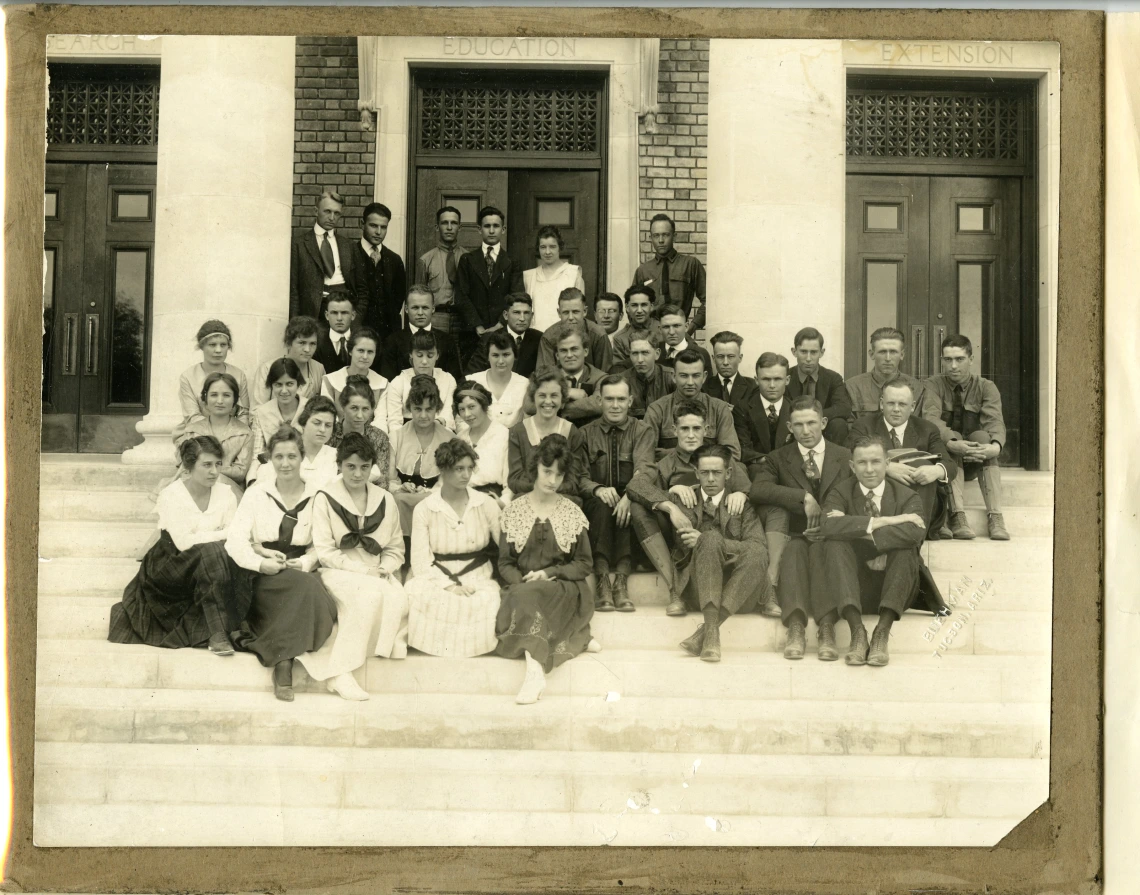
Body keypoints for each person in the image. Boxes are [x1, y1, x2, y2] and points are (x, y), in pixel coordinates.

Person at [226, 426, 338, 701]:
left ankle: (281, 660)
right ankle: (284, 663)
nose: (285, 464)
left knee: (309, 588)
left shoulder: (318, 495)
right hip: (263, 574)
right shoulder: (256, 494)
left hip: (300, 568)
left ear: (302, 458)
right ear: (270, 459)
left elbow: (321, 544)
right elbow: (235, 541)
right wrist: (260, 563)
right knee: (304, 591)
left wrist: (305, 562)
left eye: (291, 456)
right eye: (279, 457)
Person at [820, 436, 948, 667]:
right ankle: (857, 632)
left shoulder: (907, 495)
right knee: (834, 544)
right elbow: (828, 527)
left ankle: (881, 632)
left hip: (896, 588)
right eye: (862, 463)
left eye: (876, 462)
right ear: (852, 466)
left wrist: (856, 528)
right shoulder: (840, 492)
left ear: (888, 464)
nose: (869, 469)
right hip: (853, 588)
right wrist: (887, 521)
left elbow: (914, 533)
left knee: (906, 549)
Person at [299, 432, 409, 700]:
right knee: (366, 597)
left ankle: (360, 660)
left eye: (363, 467)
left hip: (376, 569)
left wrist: (386, 566)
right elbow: (324, 551)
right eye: (350, 466)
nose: (357, 474)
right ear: (339, 465)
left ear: (372, 466)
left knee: (398, 597)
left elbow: (395, 547)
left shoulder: (385, 499)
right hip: (338, 570)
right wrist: (364, 571)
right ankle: (340, 673)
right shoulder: (325, 497)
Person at [108, 436, 241, 656]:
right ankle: (218, 633)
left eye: (218, 464)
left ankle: (217, 632)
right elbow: (183, 542)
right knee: (213, 550)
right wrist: (218, 535)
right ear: (189, 466)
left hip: (208, 566)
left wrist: (205, 535)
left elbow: (235, 534)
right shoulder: (172, 495)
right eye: (206, 465)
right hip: (170, 564)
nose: (214, 472)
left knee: (214, 553)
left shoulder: (225, 494)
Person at [496, 433, 599, 705]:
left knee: (529, 598)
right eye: (547, 472)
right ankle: (536, 671)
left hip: (561, 588)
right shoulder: (515, 510)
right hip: (523, 588)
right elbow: (505, 562)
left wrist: (550, 573)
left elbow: (584, 563)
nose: (552, 480)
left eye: (559, 475)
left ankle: (533, 674)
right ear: (535, 469)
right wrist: (521, 582)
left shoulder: (571, 512)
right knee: (524, 597)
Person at [749, 397, 854, 661]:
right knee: (794, 552)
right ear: (789, 426)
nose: (806, 431)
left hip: (833, 535)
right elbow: (758, 489)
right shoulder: (778, 458)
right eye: (798, 425)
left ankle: (827, 627)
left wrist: (830, 523)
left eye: (811, 423)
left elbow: (854, 494)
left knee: (824, 551)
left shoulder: (844, 456)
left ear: (824, 422)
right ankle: (795, 626)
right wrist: (803, 497)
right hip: (797, 533)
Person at [626, 400, 752, 616]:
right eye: (685, 428)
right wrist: (670, 500)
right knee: (638, 509)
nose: (691, 435)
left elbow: (749, 490)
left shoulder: (722, 459)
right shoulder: (666, 464)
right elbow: (635, 485)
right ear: (674, 430)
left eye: (697, 428)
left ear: (707, 429)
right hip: (680, 540)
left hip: (719, 539)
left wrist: (742, 493)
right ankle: (675, 590)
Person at [668, 444, 769, 662]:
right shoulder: (685, 500)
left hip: (740, 591)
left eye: (717, 473)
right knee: (711, 539)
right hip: (698, 589)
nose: (711, 479)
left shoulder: (742, 504)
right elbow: (684, 542)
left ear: (729, 473)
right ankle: (712, 632)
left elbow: (757, 546)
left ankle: (709, 631)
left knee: (755, 552)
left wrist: (714, 543)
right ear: (696, 473)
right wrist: (671, 491)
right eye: (705, 473)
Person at [405, 439, 503, 658]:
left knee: (486, 600)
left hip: (478, 574)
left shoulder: (485, 503)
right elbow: (420, 561)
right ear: (443, 469)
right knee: (417, 593)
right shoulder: (425, 508)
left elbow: (505, 547)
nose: (466, 475)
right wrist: (449, 586)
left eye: (469, 468)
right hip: (436, 574)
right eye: (459, 469)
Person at [578, 375, 656, 613]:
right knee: (603, 504)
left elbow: (645, 470)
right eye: (609, 399)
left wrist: (629, 496)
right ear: (599, 400)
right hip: (596, 503)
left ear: (630, 401)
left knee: (631, 507)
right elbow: (578, 477)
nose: (615, 405)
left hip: (630, 500)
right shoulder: (584, 433)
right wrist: (598, 489)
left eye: (621, 399)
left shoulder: (643, 430)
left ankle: (621, 581)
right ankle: (603, 581)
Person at [925, 334, 1010, 540]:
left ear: (971, 359)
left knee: (983, 436)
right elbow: (931, 419)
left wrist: (995, 446)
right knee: (949, 436)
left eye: (959, 359)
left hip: (974, 459)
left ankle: (996, 516)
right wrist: (953, 443)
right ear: (942, 360)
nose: (953, 365)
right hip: (948, 460)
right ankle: (957, 515)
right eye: (948, 360)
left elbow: (995, 421)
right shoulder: (932, 385)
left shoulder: (986, 387)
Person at [846, 380, 956, 534]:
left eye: (902, 404)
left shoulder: (927, 429)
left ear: (912, 407)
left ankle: (916, 533)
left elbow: (950, 465)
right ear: (881, 404)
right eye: (891, 403)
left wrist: (936, 471)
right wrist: (886, 467)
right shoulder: (864, 426)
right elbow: (847, 457)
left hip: (916, 499)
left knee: (922, 465)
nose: (896, 409)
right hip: (879, 501)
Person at [642, 348, 741, 459]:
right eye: (684, 376)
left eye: (695, 376)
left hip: (709, 473)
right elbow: (646, 453)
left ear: (704, 377)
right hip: (671, 473)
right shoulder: (657, 409)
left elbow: (732, 453)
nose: (690, 382)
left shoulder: (719, 409)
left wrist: (681, 454)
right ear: (674, 376)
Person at [507, 369, 587, 505]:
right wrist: (539, 489)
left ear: (562, 398)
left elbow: (573, 481)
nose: (548, 401)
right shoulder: (518, 431)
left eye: (554, 395)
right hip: (528, 498)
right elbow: (514, 480)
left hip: (563, 498)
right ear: (533, 397)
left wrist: (550, 489)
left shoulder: (572, 432)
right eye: (542, 395)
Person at [388, 375, 455, 534]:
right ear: (409, 408)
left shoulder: (450, 438)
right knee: (397, 501)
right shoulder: (396, 436)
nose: (423, 415)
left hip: (436, 497)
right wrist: (400, 487)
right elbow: (389, 478)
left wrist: (430, 492)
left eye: (429, 409)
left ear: (437, 409)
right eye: (418, 409)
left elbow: (451, 480)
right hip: (403, 497)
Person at [454, 205, 523, 358]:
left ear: (503, 229)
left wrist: (499, 324)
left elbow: (516, 296)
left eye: (496, 226)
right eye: (487, 226)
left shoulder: (512, 261)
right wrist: (477, 325)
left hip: (503, 331)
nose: (491, 231)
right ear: (479, 229)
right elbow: (461, 296)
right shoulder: (467, 260)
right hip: (472, 334)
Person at [173, 372, 254, 501]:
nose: (220, 401)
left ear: (234, 399)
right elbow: (184, 464)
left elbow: (240, 472)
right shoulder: (193, 431)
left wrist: (207, 468)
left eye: (226, 395)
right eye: (214, 395)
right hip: (196, 487)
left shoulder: (244, 433)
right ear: (205, 398)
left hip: (229, 490)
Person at [844, 326, 942, 425]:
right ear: (872, 354)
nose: (888, 358)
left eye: (893, 352)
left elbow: (919, 426)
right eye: (882, 352)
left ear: (902, 355)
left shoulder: (917, 388)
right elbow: (850, 425)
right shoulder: (852, 387)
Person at [289, 189, 357, 322]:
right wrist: (296, 323)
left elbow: (361, 290)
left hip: (342, 312)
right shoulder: (299, 244)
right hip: (314, 312)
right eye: (327, 211)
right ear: (316, 211)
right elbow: (294, 291)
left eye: (337, 213)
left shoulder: (348, 245)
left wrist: (355, 321)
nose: (332, 218)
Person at [632, 212, 706, 333]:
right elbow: (632, 305)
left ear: (674, 236)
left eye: (665, 235)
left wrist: (693, 325)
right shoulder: (643, 270)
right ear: (651, 238)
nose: (661, 240)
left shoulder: (690, 264)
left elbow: (709, 301)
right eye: (656, 236)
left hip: (680, 332)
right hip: (651, 335)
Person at [348, 202, 407, 347]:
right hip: (357, 330)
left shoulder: (394, 260)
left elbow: (399, 297)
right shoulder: (349, 255)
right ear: (362, 224)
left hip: (387, 334)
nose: (378, 232)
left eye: (383, 227)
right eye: (373, 226)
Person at [377, 285, 464, 383]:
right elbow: (388, 380)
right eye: (415, 308)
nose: (420, 312)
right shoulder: (392, 342)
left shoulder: (447, 341)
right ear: (406, 309)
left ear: (433, 309)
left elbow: (455, 379)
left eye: (425, 307)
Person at [255, 395, 339, 490]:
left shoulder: (336, 456)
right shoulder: (284, 451)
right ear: (303, 423)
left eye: (328, 425)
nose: (322, 429)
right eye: (317, 423)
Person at [526, 324, 604, 425]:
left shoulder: (600, 377)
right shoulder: (544, 376)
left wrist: (551, 407)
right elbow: (528, 405)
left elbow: (598, 404)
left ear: (585, 351)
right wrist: (567, 392)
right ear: (557, 355)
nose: (569, 355)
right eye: (563, 350)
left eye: (574, 349)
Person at [786, 327, 851, 446]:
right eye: (803, 352)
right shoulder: (786, 377)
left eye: (814, 352)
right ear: (794, 351)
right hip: (795, 430)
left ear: (822, 352)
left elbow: (843, 408)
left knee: (839, 424)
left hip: (824, 431)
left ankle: (835, 462)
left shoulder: (833, 378)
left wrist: (813, 418)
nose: (809, 359)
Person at [383, 329, 457, 432]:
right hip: (406, 436)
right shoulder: (398, 382)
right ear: (411, 355)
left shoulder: (448, 380)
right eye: (419, 355)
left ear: (437, 355)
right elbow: (394, 423)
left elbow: (448, 416)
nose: (424, 361)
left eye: (430, 355)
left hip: (440, 433)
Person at [177, 319, 251, 423]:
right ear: (202, 346)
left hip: (233, 433)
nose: (218, 350)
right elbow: (193, 417)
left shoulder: (238, 375)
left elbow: (243, 414)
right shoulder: (188, 377)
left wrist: (232, 435)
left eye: (223, 345)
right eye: (212, 345)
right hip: (199, 434)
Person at [249, 358, 309, 482]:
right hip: (273, 470)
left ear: (298, 384)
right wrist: (252, 480)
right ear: (271, 386)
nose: (284, 391)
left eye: (289, 384)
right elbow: (257, 455)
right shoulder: (262, 413)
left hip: (306, 468)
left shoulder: (310, 408)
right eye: (278, 385)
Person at [736, 352, 795, 475]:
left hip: (789, 470)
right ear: (756, 380)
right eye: (766, 379)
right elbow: (743, 449)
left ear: (787, 380)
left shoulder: (795, 409)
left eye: (778, 379)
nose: (772, 385)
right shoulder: (743, 408)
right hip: (758, 470)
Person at [594, 330, 673, 420]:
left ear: (657, 354)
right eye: (635, 353)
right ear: (630, 355)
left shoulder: (671, 377)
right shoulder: (621, 382)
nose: (639, 359)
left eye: (645, 353)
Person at [454, 381, 512, 503]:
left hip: (492, 500)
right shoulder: (460, 439)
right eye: (461, 409)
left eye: (471, 407)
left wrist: (501, 504)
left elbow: (510, 486)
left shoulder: (503, 436)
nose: (467, 414)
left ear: (484, 405)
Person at [329, 374, 392, 484]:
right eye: (354, 408)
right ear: (343, 407)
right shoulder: (330, 434)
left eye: (365, 409)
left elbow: (382, 482)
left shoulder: (379, 438)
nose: (360, 415)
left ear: (372, 409)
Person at [414, 205, 469, 334]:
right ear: (437, 227)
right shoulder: (426, 260)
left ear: (459, 227)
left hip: (463, 320)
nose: (449, 228)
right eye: (445, 223)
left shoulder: (468, 258)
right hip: (436, 318)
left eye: (454, 223)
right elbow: (419, 298)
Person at [464, 292, 543, 378]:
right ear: (505, 315)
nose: (522, 318)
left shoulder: (539, 338)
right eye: (517, 312)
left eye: (526, 313)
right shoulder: (489, 339)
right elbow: (471, 376)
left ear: (532, 316)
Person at [523, 225, 586, 332]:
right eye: (543, 247)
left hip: (565, 337)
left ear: (560, 247)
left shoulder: (573, 273)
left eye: (552, 247)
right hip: (536, 338)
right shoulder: (529, 276)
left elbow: (579, 312)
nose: (547, 252)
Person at [251, 317, 326, 406]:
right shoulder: (267, 369)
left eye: (312, 344)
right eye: (302, 343)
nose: (307, 349)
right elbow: (256, 411)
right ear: (288, 343)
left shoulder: (318, 368)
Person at [536, 288, 614, 373]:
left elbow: (605, 374)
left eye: (575, 312)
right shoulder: (548, 337)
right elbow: (545, 376)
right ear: (559, 313)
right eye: (566, 312)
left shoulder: (598, 335)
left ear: (584, 311)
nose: (570, 318)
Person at [465, 330, 529, 428]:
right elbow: (462, 423)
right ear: (487, 356)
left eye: (506, 355)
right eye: (495, 355)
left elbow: (527, 423)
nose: (501, 361)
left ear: (515, 356)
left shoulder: (525, 385)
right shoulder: (472, 382)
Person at [320, 327, 389, 416]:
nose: (365, 356)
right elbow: (327, 416)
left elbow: (380, 420)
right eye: (360, 350)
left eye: (370, 352)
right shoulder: (330, 380)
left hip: (372, 430)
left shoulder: (382, 383)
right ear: (350, 351)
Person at [702, 330, 758, 410]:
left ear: (740, 358)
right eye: (720, 356)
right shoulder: (704, 387)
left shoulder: (753, 386)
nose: (725, 362)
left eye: (731, 356)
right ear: (713, 359)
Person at [610, 284, 662, 370]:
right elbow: (619, 370)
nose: (639, 310)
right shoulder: (620, 338)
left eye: (644, 305)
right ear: (627, 307)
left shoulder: (664, 329)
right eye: (634, 305)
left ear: (651, 306)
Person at [657, 304, 712, 372]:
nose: (671, 332)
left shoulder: (701, 353)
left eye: (676, 326)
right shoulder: (653, 351)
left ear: (686, 327)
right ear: (660, 329)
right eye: (666, 327)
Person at [313, 294, 357, 375]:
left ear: (353, 315)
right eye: (334, 313)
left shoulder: (361, 341)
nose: (339, 318)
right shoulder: (316, 343)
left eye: (344, 313)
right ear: (327, 315)